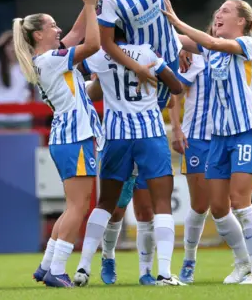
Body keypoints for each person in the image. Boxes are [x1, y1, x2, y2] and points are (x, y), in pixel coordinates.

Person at [162, 0, 252, 285]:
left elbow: (210, 43)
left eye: (225, 11)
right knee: (219, 208)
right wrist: (157, 17)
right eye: (218, 10)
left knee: (241, 202)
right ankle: (242, 263)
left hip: (246, 133)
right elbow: (179, 39)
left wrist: (176, 21)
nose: (218, 15)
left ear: (242, 21)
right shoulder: (212, 53)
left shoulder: (249, 44)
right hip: (218, 138)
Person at [75, 25, 185, 286]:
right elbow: (177, 87)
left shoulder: (99, 55)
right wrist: (155, 80)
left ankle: (82, 268)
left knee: (106, 204)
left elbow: (75, 73)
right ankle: (165, 273)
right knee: (161, 204)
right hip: (149, 133)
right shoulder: (146, 52)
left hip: (116, 134)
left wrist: (102, 83)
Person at [15, 0, 104, 288]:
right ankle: (57, 269)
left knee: (73, 205)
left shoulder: (45, 60)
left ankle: (46, 266)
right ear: (38, 34)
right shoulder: (52, 61)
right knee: (79, 206)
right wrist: (92, 7)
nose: (58, 29)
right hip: (75, 136)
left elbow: (78, 33)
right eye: (52, 26)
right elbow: (92, 44)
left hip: (65, 136)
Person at [74, 73, 158, 286]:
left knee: (146, 210)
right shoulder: (106, 63)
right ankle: (108, 256)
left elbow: (171, 94)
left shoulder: (147, 61)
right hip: (115, 141)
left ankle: (145, 270)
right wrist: (100, 78)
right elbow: (87, 93)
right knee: (115, 209)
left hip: (146, 141)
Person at [168, 16, 217, 284]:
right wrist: (176, 128)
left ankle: (250, 262)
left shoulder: (243, 53)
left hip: (229, 137)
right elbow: (175, 92)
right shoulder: (197, 58)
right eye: (216, 23)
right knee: (200, 205)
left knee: (232, 203)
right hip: (197, 138)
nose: (219, 26)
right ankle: (189, 258)